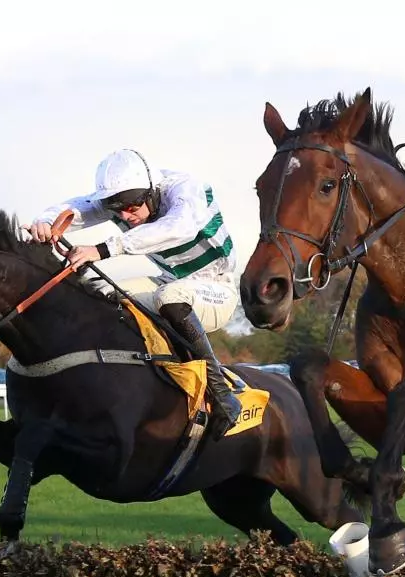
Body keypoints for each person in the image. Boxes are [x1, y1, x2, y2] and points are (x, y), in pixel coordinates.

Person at [25, 148, 242, 439]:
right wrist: (45, 221)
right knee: (101, 293)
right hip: (166, 281)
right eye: (118, 211)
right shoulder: (125, 201)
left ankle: (222, 394)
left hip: (217, 289)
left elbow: (180, 227)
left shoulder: (185, 187)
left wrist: (102, 250)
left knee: (170, 297)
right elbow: (77, 208)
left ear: (151, 190)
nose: (128, 215)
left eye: (133, 207)